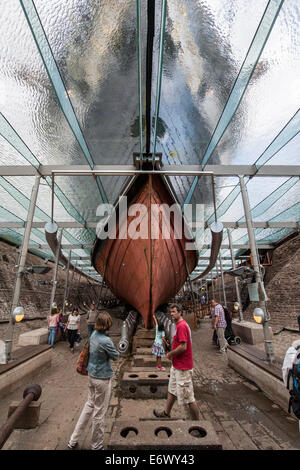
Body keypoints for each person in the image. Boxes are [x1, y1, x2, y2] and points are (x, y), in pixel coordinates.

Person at [68, 312, 119, 450]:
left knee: (89, 406)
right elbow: (116, 356)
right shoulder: (106, 341)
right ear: (108, 325)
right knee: (99, 413)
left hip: (91, 376)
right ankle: (96, 445)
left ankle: (73, 440)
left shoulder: (93, 336)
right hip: (102, 379)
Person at [153, 303, 200, 420]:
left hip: (183, 368)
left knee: (189, 397)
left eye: (174, 312)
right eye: (171, 312)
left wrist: (170, 354)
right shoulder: (179, 325)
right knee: (172, 390)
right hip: (177, 366)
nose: (172, 314)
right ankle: (166, 413)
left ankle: (198, 423)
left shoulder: (182, 326)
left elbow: (183, 347)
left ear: (180, 312)